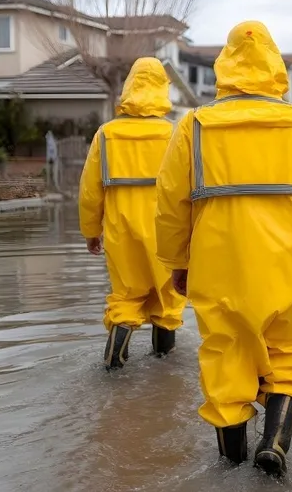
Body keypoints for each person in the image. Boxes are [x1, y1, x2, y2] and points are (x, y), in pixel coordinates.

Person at [154, 20, 292, 476]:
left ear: (225, 63)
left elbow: (170, 204)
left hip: (218, 263)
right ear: (274, 65)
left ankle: (230, 466)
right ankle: (276, 443)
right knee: (288, 353)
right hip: (288, 263)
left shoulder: (194, 125)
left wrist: (177, 262)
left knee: (225, 357)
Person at [79, 57, 186, 371]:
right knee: (168, 299)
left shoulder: (107, 134)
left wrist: (90, 231)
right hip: (166, 231)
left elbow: (89, 190)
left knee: (126, 296)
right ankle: (165, 370)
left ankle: (113, 365)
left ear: (129, 87)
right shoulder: (176, 134)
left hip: (120, 230)